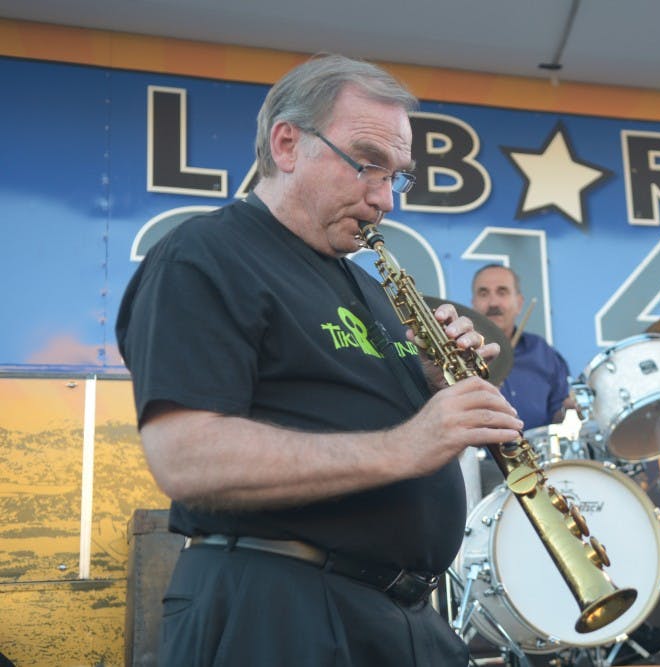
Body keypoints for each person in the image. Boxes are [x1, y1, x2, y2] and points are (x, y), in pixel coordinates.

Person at [115, 53, 523, 666]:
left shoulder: (362, 284)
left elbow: (355, 413)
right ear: (287, 144)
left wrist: (433, 385)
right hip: (277, 615)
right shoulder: (204, 255)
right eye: (368, 164)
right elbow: (185, 457)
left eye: (398, 175)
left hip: (397, 621)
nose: (385, 198)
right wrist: (409, 443)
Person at [470, 264, 572, 431]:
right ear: (473, 303)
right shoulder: (457, 354)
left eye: (502, 292)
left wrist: (569, 411)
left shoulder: (542, 353)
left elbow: (558, 416)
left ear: (519, 303)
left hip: (537, 455)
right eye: (483, 293)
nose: (493, 302)